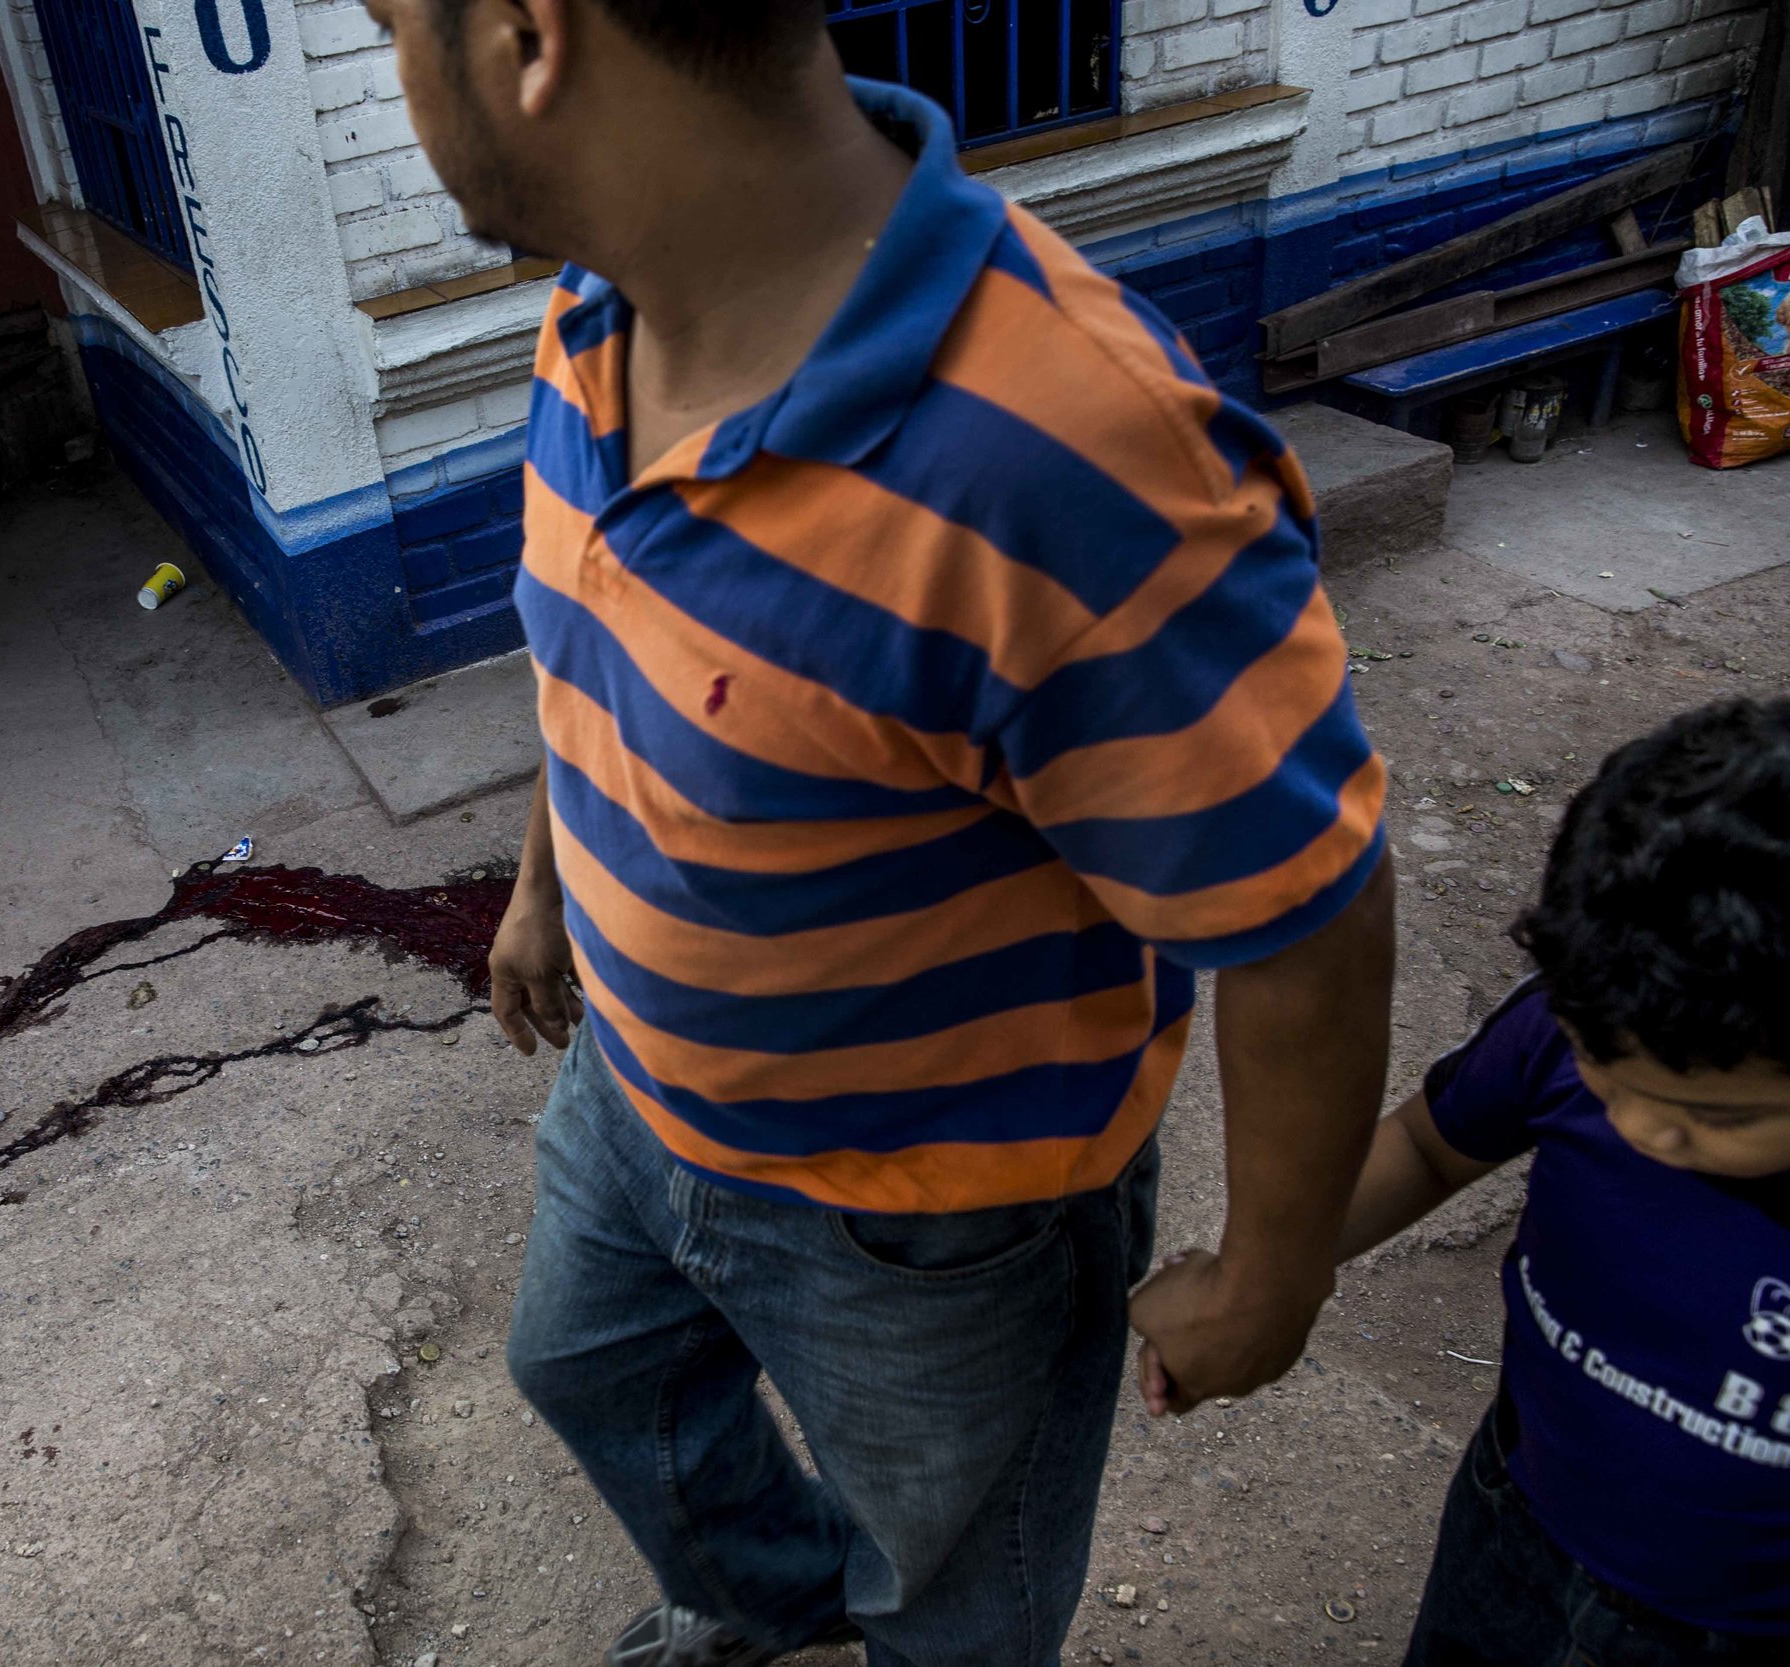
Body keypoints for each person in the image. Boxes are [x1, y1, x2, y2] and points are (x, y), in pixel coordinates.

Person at [361, 2, 1396, 1661]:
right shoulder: (595, 309)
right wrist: (543, 886)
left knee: (956, 1592)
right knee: (589, 1366)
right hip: (631, 1089)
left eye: (388, 21)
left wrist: (1271, 1282)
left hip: (933, 1224)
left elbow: (1305, 912)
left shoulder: (1067, 451)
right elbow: (599, 638)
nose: (390, 74)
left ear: (524, 37)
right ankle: (762, 1606)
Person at [1337, 697, 1790, 1664]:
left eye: (1718, 1118)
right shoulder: (1575, 1018)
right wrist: (1265, 1270)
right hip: (1513, 1516)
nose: (1635, 1127)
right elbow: (1423, 1147)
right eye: (1601, 1073)